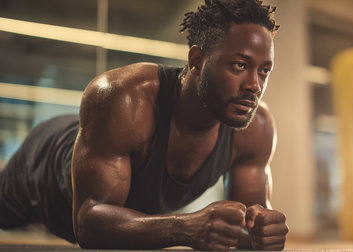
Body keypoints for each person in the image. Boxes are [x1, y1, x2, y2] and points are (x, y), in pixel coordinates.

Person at [0, 0, 289, 250]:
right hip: (41, 167)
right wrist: (186, 228)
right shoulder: (124, 96)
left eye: (264, 71)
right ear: (197, 61)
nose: (254, 85)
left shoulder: (256, 128)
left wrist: (263, 232)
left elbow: (248, 230)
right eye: (239, 65)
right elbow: (88, 222)